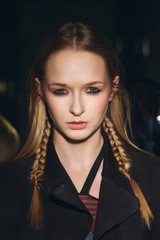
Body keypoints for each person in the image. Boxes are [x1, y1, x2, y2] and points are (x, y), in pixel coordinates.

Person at [0, 22, 160, 240]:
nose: (77, 108)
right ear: (40, 90)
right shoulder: (8, 185)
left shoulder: (153, 178)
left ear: (113, 89)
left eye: (92, 90)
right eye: (60, 91)